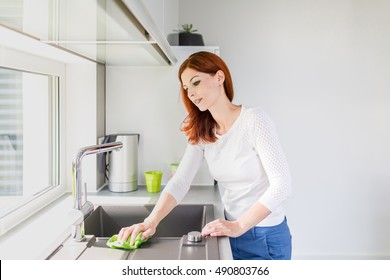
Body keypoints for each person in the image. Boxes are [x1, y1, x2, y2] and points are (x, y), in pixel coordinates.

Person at [117, 51, 292, 260]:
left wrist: (239, 226)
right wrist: (151, 221)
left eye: (196, 82)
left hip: (263, 236)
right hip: (229, 232)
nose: (190, 92)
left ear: (219, 77)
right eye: (186, 88)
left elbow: (282, 185)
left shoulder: (254, 120)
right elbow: (180, 181)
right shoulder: (203, 132)